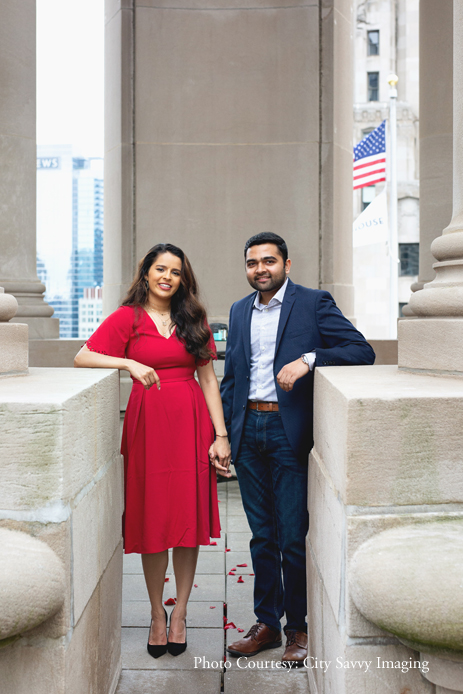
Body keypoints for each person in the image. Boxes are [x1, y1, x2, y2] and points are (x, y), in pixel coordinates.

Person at [217, 232, 375, 666]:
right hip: (248, 431)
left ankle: (298, 628)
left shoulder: (312, 302)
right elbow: (232, 377)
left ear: (287, 264)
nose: (260, 269)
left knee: (291, 537)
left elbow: (361, 350)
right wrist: (227, 435)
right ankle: (266, 624)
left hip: (289, 434)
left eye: (269, 261)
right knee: (261, 536)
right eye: (253, 263)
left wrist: (308, 360)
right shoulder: (238, 310)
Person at [74, 243, 231, 659]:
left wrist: (221, 435)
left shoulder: (192, 317)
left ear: (183, 279)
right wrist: (128, 365)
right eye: (160, 269)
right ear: (146, 274)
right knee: (154, 520)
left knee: (186, 518)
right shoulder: (128, 317)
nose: (167, 277)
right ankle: (155, 614)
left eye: (175, 272)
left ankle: (179, 611)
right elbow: (83, 355)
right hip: (147, 427)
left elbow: (209, 379)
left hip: (191, 421)